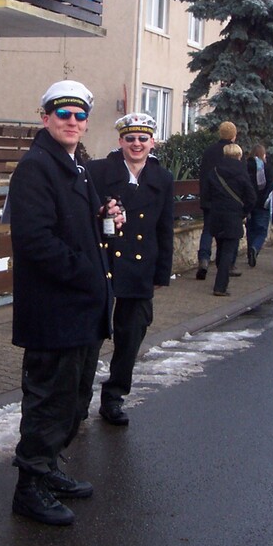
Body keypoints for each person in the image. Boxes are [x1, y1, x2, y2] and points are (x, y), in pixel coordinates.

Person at [7, 80, 122, 526]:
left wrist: (104, 213)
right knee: (49, 403)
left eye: (79, 115)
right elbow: (35, 241)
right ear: (45, 117)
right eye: (63, 114)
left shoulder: (75, 165)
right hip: (54, 311)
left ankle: (49, 467)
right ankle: (29, 487)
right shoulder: (36, 168)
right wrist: (87, 272)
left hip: (81, 312)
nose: (72, 121)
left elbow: (77, 220)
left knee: (73, 401)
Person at [89, 112, 174, 427]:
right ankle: (79, 398)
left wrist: (162, 273)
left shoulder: (162, 178)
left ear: (152, 143)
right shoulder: (99, 172)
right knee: (91, 337)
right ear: (120, 141)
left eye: (142, 139)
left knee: (131, 338)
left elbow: (165, 228)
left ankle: (113, 397)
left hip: (140, 269)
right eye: (130, 138)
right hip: (104, 265)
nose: (136, 144)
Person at [208, 143, 256, 296]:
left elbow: (207, 193)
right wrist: (243, 212)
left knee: (220, 247)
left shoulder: (215, 171)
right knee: (228, 252)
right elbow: (251, 197)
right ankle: (220, 286)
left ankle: (220, 277)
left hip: (216, 215)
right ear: (239, 156)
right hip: (234, 216)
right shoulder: (242, 172)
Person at [196, 121, 238, 280]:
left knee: (208, 230)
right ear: (233, 135)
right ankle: (226, 265)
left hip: (209, 199)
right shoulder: (233, 152)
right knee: (226, 234)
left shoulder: (209, 151)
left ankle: (204, 259)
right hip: (227, 202)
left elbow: (203, 175)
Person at [245, 143, 273, 267]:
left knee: (250, 230)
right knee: (261, 231)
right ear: (263, 155)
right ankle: (255, 248)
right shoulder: (267, 169)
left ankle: (250, 252)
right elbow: (271, 187)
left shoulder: (246, 167)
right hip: (262, 205)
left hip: (249, 204)